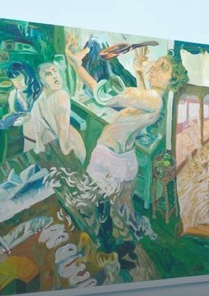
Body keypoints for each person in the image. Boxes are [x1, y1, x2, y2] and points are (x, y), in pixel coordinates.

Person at [65, 34, 183, 215]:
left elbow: (104, 96)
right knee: (122, 210)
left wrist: (77, 65)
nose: (154, 66)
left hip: (108, 157)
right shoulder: (155, 100)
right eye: (157, 62)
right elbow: (141, 99)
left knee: (87, 206)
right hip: (126, 159)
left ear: (172, 80)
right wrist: (138, 72)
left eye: (163, 67)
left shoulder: (152, 99)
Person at [22, 62, 85, 160]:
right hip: (70, 144)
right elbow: (62, 128)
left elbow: (39, 131)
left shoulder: (39, 100)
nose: (55, 76)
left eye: (55, 71)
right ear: (41, 81)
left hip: (58, 143)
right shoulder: (60, 96)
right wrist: (65, 150)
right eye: (48, 74)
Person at [0, 62, 41, 132]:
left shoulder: (39, 92)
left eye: (20, 79)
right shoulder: (13, 94)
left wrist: (29, 117)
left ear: (31, 77)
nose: (18, 83)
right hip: (22, 128)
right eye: (14, 80)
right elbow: (13, 112)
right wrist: (9, 115)